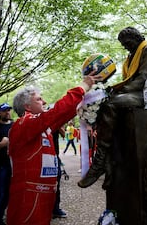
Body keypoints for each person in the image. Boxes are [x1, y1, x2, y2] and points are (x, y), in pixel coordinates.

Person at [7, 72, 99, 225]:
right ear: (27, 106)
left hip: (45, 195)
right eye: (39, 99)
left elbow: (63, 114)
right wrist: (82, 87)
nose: (44, 101)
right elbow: (57, 112)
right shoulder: (24, 123)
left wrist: (88, 96)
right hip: (28, 197)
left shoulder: (42, 128)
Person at [78, 26, 147, 189]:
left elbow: (146, 78)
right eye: (123, 44)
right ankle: (110, 165)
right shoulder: (130, 57)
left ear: (137, 37)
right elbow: (128, 80)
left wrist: (117, 90)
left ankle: (100, 162)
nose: (126, 46)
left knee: (111, 103)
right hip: (132, 94)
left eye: (127, 42)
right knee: (104, 104)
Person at [52, 127, 67, 219]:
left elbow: (63, 134)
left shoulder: (56, 122)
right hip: (42, 155)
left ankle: (56, 209)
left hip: (54, 156)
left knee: (56, 184)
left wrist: (58, 124)